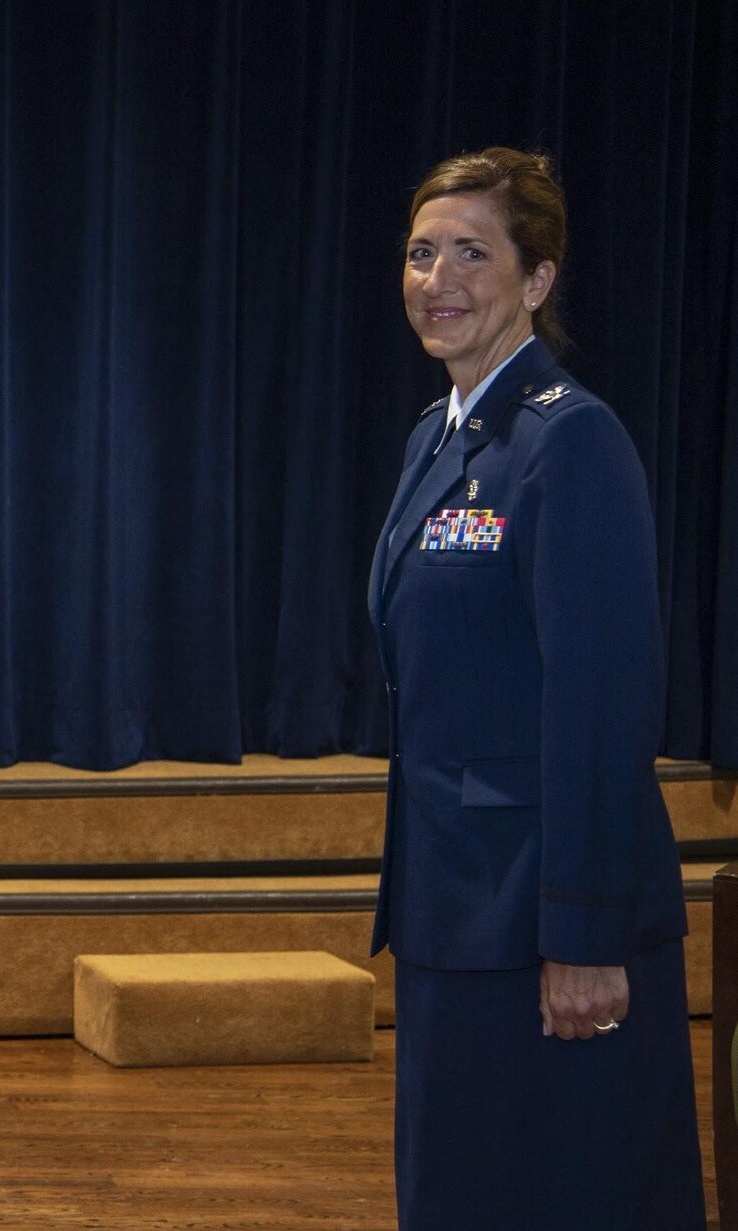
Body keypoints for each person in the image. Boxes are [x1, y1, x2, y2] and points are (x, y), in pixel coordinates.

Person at [369, 147, 702, 1227]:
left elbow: (601, 707)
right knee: (457, 1193)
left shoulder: (568, 441)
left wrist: (584, 934)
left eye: (472, 252)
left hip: (544, 929)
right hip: (451, 916)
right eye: (421, 253)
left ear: (536, 279)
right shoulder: (438, 435)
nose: (439, 279)